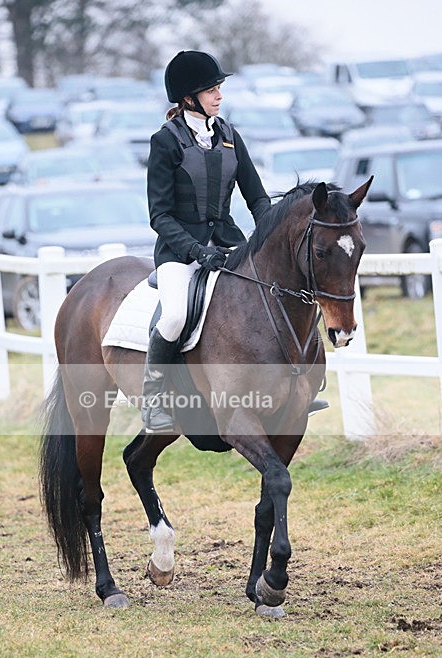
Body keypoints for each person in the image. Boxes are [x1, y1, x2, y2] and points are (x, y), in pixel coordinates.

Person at [142, 50, 272, 432]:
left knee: (271, 294)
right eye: (211, 89)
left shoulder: (230, 136)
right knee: (175, 316)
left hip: (227, 244)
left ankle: (291, 385)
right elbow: (159, 216)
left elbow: (258, 198)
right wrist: (196, 250)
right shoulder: (165, 142)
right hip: (179, 253)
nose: (219, 95)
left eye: (220, 87)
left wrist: (269, 236)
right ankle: (153, 400)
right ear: (187, 97)